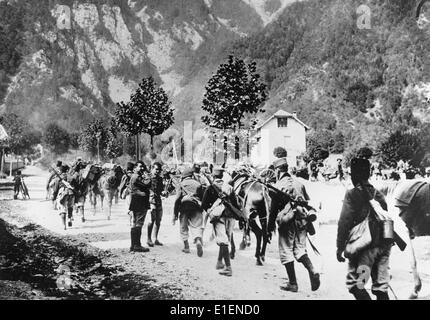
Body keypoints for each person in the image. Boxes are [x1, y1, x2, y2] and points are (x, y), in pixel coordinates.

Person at [336, 158, 392, 300]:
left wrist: (340, 247)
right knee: (381, 287)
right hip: (384, 246)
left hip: (365, 247)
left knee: (356, 284)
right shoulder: (378, 194)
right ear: (368, 174)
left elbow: (344, 222)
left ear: (354, 175)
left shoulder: (352, 194)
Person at [273, 158, 320, 293]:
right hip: (302, 219)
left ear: (277, 170)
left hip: (287, 220)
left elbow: (273, 209)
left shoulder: (278, 185)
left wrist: (269, 226)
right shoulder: (299, 183)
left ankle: (293, 283)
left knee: (286, 250)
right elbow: (306, 202)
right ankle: (312, 269)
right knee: (300, 250)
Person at [201, 167, 241, 277]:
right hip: (231, 216)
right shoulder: (229, 187)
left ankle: (228, 268)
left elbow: (204, 204)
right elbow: (236, 205)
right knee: (225, 240)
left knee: (222, 241)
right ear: (222, 176)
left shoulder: (210, 188)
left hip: (219, 217)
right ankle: (219, 262)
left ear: (213, 176)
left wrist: (210, 210)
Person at [173, 167, 205, 257]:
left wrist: (175, 213)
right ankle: (198, 240)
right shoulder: (198, 184)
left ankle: (186, 247)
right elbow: (203, 198)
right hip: (196, 206)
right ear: (192, 175)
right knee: (197, 226)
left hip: (184, 206)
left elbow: (177, 199)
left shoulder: (181, 184)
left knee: (183, 227)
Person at [129, 161, 152, 253]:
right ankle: (137, 245)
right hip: (140, 201)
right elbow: (147, 184)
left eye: (143, 167)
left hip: (135, 201)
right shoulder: (137, 177)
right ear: (135, 168)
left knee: (135, 223)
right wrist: (148, 177)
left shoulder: (134, 176)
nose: (142, 168)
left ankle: (133, 245)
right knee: (139, 223)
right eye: (140, 167)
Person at [147, 162, 167, 247]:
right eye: (156, 169)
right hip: (151, 201)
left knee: (158, 220)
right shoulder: (147, 178)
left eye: (159, 170)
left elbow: (161, 189)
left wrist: (163, 192)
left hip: (158, 201)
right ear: (152, 169)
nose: (157, 171)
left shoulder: (160, 179)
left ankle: (155, 239)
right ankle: (149, 239)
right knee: (151, 220)